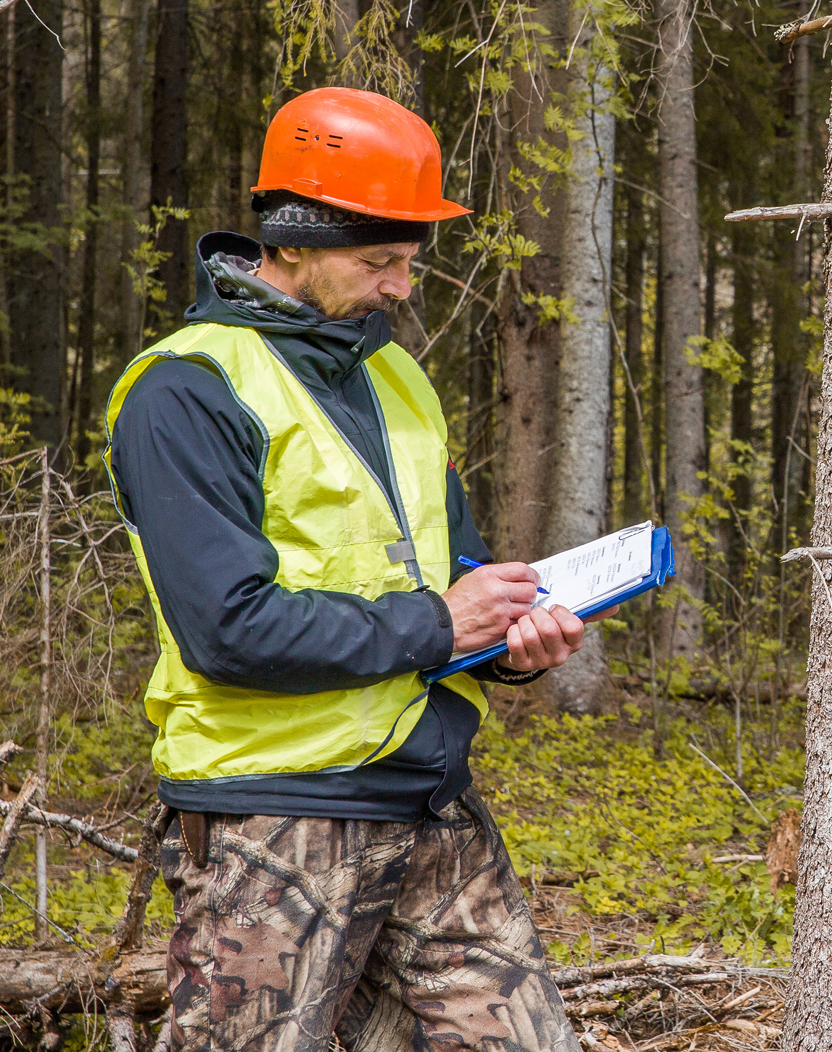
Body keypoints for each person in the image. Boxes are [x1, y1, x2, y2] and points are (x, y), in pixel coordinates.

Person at [104, 87, 588, 1052]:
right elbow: (228, 629)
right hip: (274, 820)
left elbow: (446, 572)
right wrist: (441, 624)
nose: (401, 287)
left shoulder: (392, 375)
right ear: (294, 241)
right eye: (378, 262)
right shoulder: (187, 389)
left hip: (428, 799)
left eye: (408, 259)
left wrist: (507, 640)